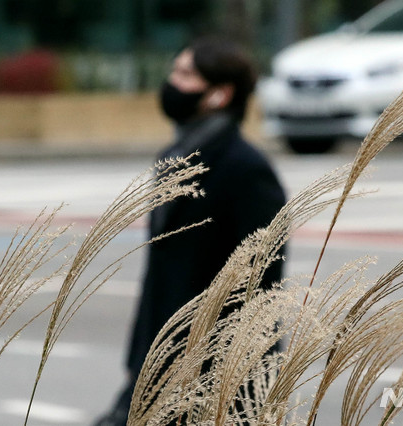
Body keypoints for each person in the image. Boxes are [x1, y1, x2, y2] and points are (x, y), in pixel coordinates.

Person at [93, 36, 286, 426]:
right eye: (175, 70)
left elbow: (259, 288)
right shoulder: (179, 157)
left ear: (219, 94)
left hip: (211, 376)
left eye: (186, 74)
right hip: (157, 362)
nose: (172, 82)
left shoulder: (247, 170)